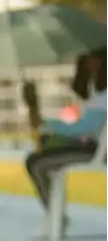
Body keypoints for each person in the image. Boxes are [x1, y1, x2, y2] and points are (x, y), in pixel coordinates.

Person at [25, 49, 108, 224]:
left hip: (96, 151)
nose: (87, 66)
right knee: (44, 147)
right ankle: (55, 214)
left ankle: (56, 217)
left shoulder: (103, 97)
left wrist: (47, 124)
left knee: (37, 163)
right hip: (93, 146)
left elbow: (82, 128)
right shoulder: (99, 96)